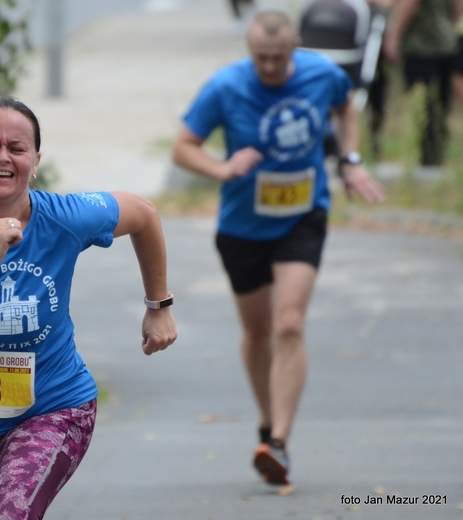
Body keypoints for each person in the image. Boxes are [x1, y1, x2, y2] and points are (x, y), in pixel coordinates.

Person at [0, 96, 177, 519]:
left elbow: (143, 213)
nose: (3, 157)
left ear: (36, 159)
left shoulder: (64, 216)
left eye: (17, 148)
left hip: (53, 407)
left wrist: (159, 305)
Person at [171, 9, 385, 486]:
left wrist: (350, 160)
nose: (268, 67)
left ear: (295, 49)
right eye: (260, 58)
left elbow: (345, 106)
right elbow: (183, 147)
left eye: (277, 58)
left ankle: (281, 443)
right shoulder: (225, 86)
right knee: (258, 333)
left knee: (289, 323)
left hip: (302, 217)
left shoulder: (321, 74)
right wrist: (222, 169)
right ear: (251, 53)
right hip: (243, 227)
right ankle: (268, 424)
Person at [383, 0, 458, 167]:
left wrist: (393, 38)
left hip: (421, 47)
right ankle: (434, 156)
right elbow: (458, 6)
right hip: (446, 45)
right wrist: (448, 27)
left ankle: (417, 155)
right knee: (439, 105)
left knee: (418, 103)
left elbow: (408, 4)